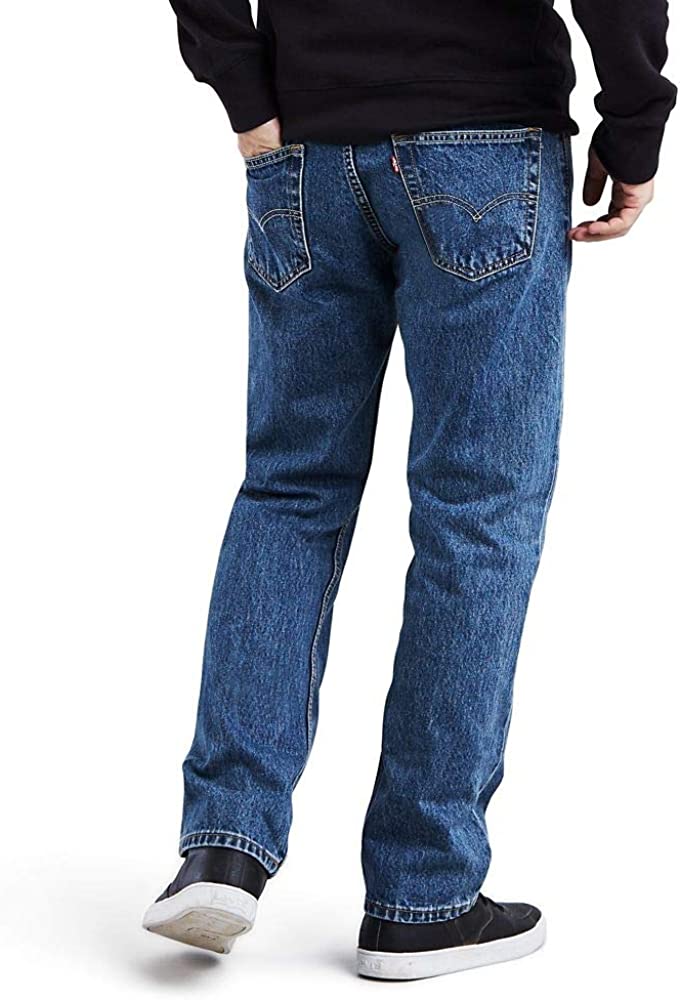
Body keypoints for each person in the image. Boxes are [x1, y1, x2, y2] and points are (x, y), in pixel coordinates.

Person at [143, 0, 675, 981]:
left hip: (305, 148)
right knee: (477, 515)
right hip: (484, 138)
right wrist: (635, 116)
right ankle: (422, 895)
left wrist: (245, 91)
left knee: (291, 490)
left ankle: (221, 849)